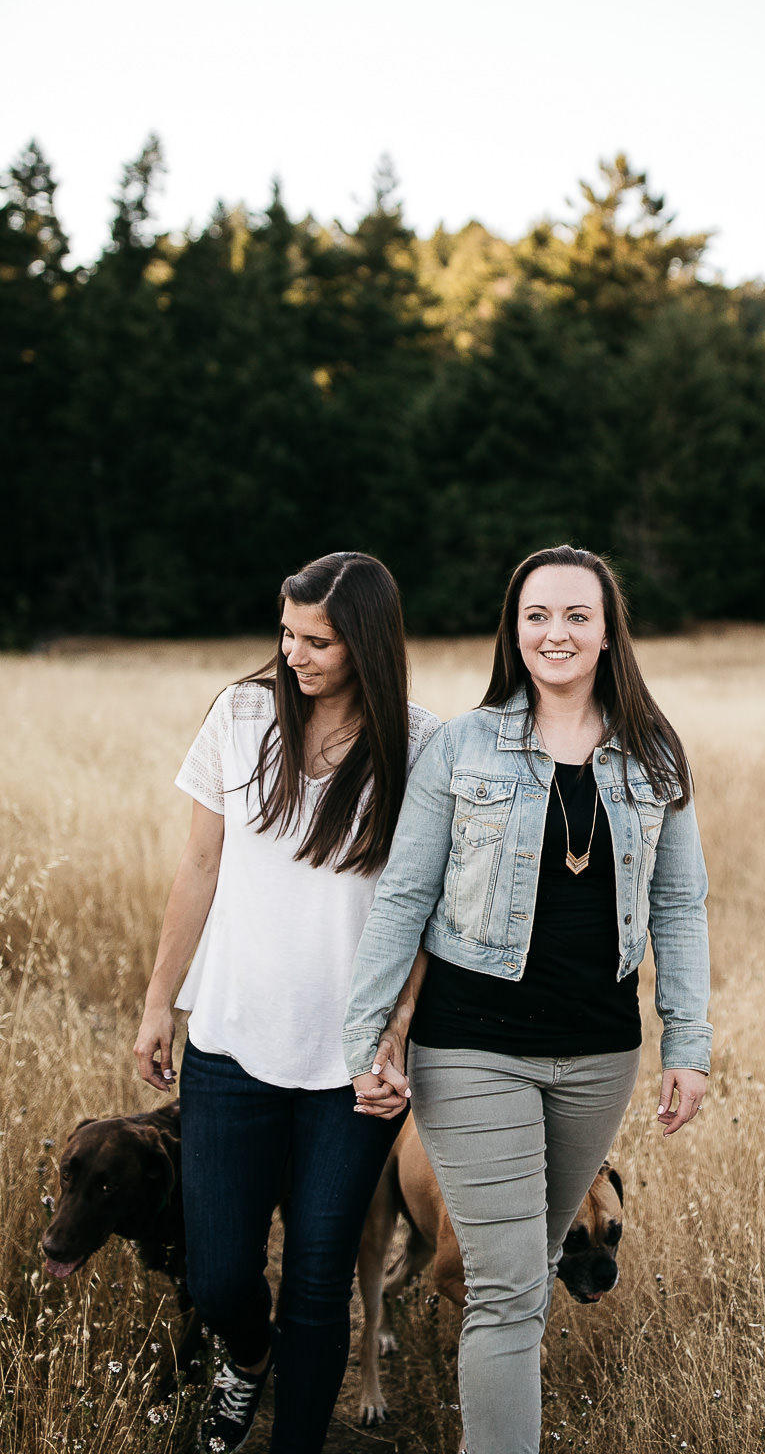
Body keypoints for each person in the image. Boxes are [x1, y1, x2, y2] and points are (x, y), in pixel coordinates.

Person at [344, 543, 711, 1454]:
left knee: (531, 1273)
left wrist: (688, 1045)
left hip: (600, 1056)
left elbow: (679, 903)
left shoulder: (656, 756)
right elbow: (404, 895)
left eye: (576, 615)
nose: (556, 632)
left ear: (607, 632)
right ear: (514, 630)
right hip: (472, 1046)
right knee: (508, 1291)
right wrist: (368, 1038)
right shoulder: (462, 748)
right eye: (537, 615)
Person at [134, 551, 438, 1454]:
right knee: (225, 1273)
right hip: (230, 1042)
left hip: (350, 1068)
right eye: (286, 632)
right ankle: (247, 1356)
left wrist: (397, 1037)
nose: (292, 654)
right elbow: (199, 865)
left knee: (316, 1278)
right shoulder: (239, 715)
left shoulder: (418, 745)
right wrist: (160, 1002)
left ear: (369, 647)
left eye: (317, 641)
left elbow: (424, 912)